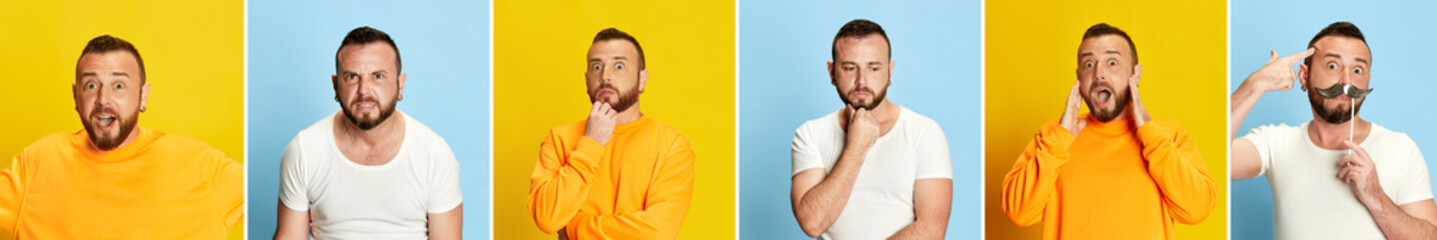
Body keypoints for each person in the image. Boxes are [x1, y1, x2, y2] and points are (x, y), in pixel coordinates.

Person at [1, 35, 243, 238]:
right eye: (91, 85)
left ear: (143, 95)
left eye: (119, 85)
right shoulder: (37, 163)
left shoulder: (199, 165)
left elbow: (275, 194)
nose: (103, 99)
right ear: (76, 95)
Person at [1001, 23, 1215, 239]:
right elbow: (1019, 212)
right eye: (1088, 64)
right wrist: (1059, 140)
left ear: (1135, 73)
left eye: (1112, 62)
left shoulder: (1168, 135)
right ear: (1078, 77)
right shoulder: (1054, 136)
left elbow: (1197, 209)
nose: (1098, 74)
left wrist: (1151, 135)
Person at [1230, 21, 1437, 239]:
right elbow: (1208, 162)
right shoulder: (1275, 143)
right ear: (1303, 75)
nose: (1347, 81)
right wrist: (1254, 85)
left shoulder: (1400, 149)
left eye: (1358, 70)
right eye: (1332, 66)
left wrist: (1376, 197)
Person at [275, 26, 463, 239]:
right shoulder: (304, 150)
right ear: (336, 86)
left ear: (400, 84)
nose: (364, 90)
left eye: (378, 76)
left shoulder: (434, 154)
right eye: (352, 77)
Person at [788, 19, 954, 239]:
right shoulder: (810, 134)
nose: (861, 81)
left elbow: (932, 229)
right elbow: (812, 222)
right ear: (831, 71)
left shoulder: (924, 132)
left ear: (890, 70)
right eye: (849, 68)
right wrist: (856, 146)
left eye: (873, 68)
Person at [526, 27, 696, 239]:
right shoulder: (558, 138)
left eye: (619, 66)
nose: (605, 76)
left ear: (642, 79)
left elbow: (658, 232)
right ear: (586, 79)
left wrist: (573, 226)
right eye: (596, 66)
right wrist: (591, 142)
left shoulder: (673, 145)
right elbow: (547, 218)